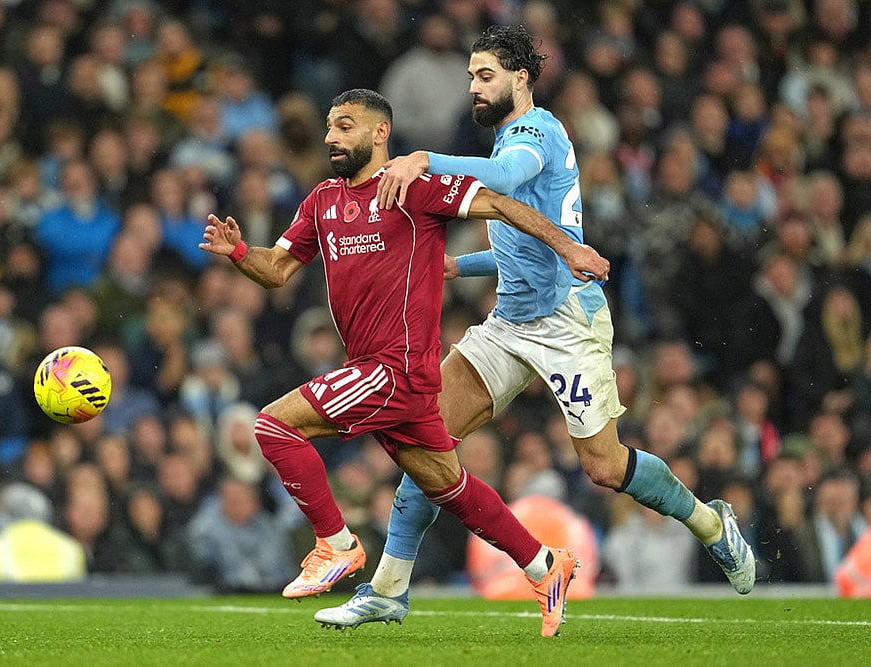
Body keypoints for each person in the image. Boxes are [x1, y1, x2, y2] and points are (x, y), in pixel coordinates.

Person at [316, 24, 756, 630]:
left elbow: (497, 181)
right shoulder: (509, 137)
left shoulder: (535, 132)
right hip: (509, 322)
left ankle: (709, 522)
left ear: (520, 78)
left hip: (568, 321)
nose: (474, 86)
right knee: (427, 445)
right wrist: (458, 266)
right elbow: (522, 247)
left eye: (486, 75)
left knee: (603, 467)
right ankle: (389, 591)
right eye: (471, 76)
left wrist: (422, 159)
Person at [200, 87, 609, 637]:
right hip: (377, 370)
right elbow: (277, 269)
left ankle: (336, 546)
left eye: (344, 126)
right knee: (448, 484)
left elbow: (500, 203)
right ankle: (544, 565)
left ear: (379, 132)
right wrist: (240, 253)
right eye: (328, 127)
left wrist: (569, 247)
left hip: (398, 369)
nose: (330, 137)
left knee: (273, 426)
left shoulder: (413, 189)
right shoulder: (321, 199)